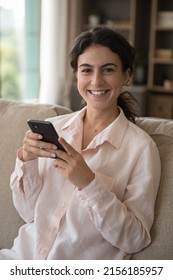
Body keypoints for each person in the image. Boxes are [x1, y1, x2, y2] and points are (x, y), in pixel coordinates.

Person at [0, 27, 161, 260]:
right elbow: (29, 214)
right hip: (19, 258)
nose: (96, 81)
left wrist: (89, 184)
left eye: (108, 70)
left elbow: (134, 238)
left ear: (126, 75)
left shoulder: (141, 149)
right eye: (86, 70)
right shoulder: (53, 128)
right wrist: (27, 162)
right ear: (76, 75)